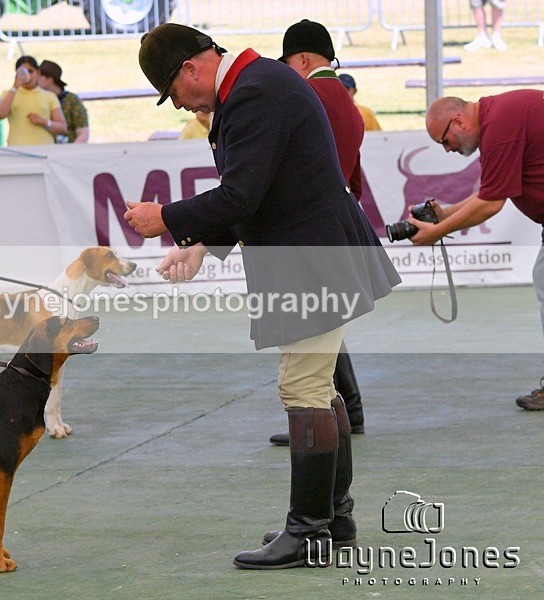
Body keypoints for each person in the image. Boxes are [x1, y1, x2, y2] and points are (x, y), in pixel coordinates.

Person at [125, 23, 399, 570]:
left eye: (173, 94)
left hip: (309, 259)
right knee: (317, 386)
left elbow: (242, 191)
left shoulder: (253, 92)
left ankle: (310, 531)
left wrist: (166, 218)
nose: (180, 107)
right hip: (314, 253)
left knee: (302, 388)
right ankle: (332, 517)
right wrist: (201, 244)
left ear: (191, 69)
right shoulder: (259, 83)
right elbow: (263, 188)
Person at [267, 19, 367, 448]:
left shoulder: (307, 95)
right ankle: (348, 413)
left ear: (303, 58)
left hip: (305, 231)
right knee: (327, 337)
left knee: (307, 366)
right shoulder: (348, 102)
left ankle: (315, 430)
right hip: (337, 223)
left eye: (288, 63)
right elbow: (354, 178)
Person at [411, 92, 544, 410]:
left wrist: (437, 231)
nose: (448, 149)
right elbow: (489, 192)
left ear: (457, 121)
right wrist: (445, 214)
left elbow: (490, 205)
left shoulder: (500, 126)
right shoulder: (497, 119)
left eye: (444, 141)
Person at [0, 56, 66, 146]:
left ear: (38, 72)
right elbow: (0, 114)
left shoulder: (49, 96)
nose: (27, 76)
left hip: (44, 148)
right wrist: (14, 88)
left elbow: (62, 128)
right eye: (22, 72)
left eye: (30, 71)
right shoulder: (8, 94)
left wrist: (44, 122)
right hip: (17, 149)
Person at [37, 59, 89, 143]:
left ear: (50, 79)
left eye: (39, 76)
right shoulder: (37, 99)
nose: (35, 79)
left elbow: (83, 133)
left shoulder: (72, 100)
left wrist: (72, 152)